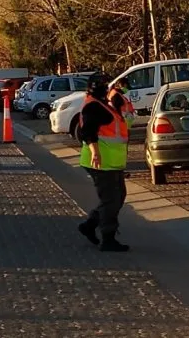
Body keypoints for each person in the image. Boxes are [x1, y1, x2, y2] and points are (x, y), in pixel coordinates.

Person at [77, 75, 130, 252]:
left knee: (118, 196)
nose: (107, 88)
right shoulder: (93, 105)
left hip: (110, 162)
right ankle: (108, 238)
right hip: (101, 162)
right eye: (104, 86)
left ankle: (90, 225)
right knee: (111, 200)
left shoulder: (100, 103)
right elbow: (87, 131)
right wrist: (95, 152)